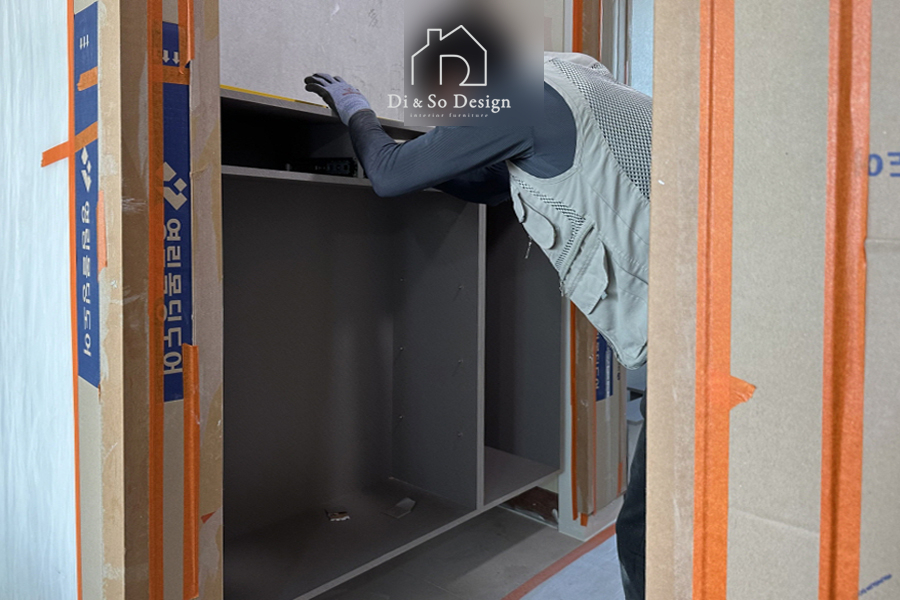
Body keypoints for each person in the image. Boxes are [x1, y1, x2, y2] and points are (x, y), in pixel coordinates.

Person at [305, 52, 651, 600]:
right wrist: (438, 164)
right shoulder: (579, 79)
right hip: (711, 306)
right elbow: (494, 186)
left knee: (645, 533)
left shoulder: (517, 97)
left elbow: (389, 175)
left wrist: (356, 111)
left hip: (690, 340)